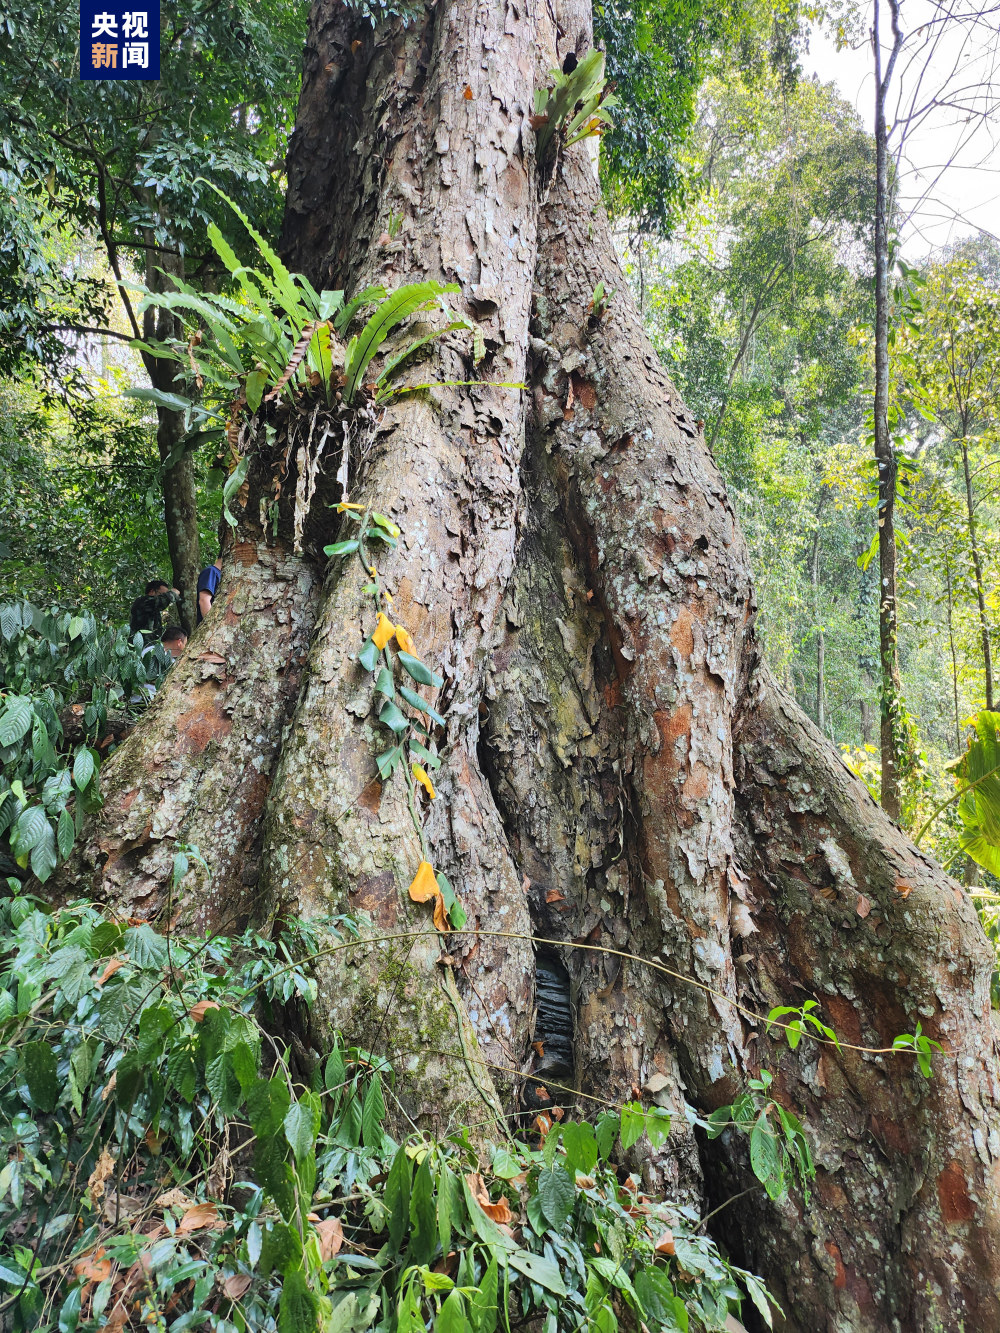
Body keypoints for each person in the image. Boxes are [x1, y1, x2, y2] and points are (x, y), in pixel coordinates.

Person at [196, 553, 223, 624]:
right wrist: (212, 625)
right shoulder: (211, 571)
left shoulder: (222, 575)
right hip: (211, 628)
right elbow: (204, 600)